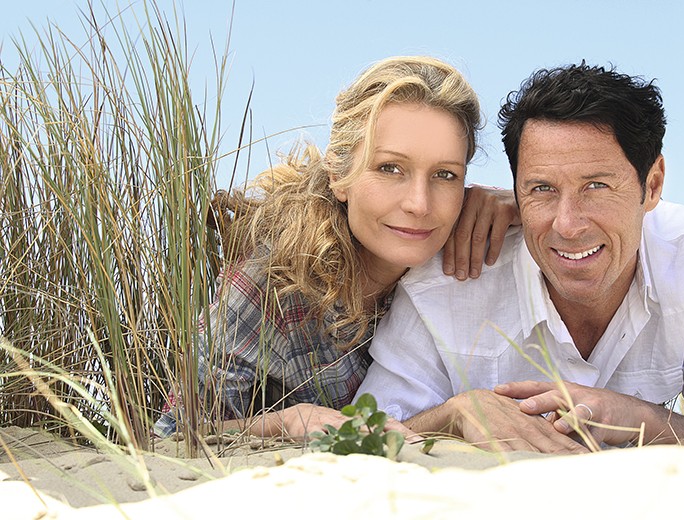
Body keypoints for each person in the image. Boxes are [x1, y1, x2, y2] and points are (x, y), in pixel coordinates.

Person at [356, 62, 684, 454]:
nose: (568, 225)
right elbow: (364, 440)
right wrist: (454, 415)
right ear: (514, 190)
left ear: (652, 185)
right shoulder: (442, 280)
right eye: (542, 189)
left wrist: (643, 420)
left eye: (596, 186)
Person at [153, 56, 518, 439]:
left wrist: (528, 203)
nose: (419, 204)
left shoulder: (467, 244)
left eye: (445, 175)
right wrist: (284, 422)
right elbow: (173, 436)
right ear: (339, 176)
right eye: (390, 168)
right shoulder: (274, 286)